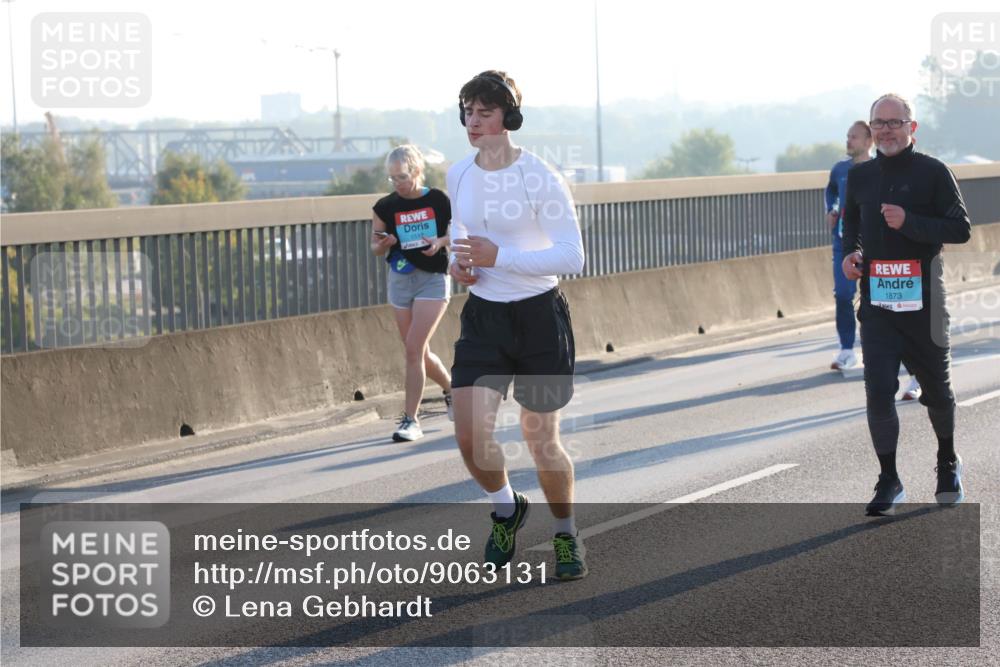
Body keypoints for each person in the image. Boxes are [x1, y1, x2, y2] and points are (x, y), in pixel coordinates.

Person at [447, 70, 587, 580]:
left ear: (510, 116)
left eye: (484, 112)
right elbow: (459, 235)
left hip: (537, 317)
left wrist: (500, 255)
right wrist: (457, 265)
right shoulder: (459, 173)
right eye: (467, 111)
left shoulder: (539, 176)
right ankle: (506, 508)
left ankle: (567, 536)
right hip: (484, 316)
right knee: (469, 437)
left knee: (540, 440)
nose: (473, 121)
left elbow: (572, 255)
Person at [841, 93, 971, 516]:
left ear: (912, 128)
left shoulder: (933, 172)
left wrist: (910, 222)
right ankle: (888, 478)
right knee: (878, 393)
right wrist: (850, 257)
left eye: (895, 122)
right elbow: (851, 229)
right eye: (879, 123)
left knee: (937, 393)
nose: (886, 130)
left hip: (925, 307)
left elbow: (960, 228)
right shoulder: (860, 177)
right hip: (877, 306)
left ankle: (947, 461)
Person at [825, 122, 923, 401]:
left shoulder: (882, 169)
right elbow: (831, 193)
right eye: (847, 136)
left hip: (882, 251)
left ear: (868, 139)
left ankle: (916, 375)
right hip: (845, 247)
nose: (848, 141)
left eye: (853, 136)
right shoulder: (841, 170)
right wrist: (832, 209)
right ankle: (847, 350)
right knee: (843, 296)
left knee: (898, 311)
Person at [371, 145, 453, 442]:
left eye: (402, 176)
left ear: (417, 171)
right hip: (400, 278)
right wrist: (385, 242)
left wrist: (441, 241)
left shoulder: (439, 200)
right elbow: (375, 246)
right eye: (391, 178)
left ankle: (411, 420)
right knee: (418, 351)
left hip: (432, 279)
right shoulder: (385, 206)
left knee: (413, 348)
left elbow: (459, 233)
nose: (397, 183)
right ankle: (451, 389)